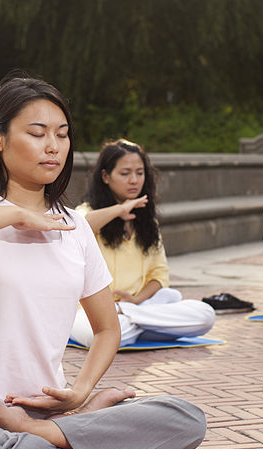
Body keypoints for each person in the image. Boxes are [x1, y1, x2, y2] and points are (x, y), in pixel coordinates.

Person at [0, 76, 206, 449]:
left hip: (52, 413)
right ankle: (78, 442)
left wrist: (82, 391)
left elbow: (107, 330)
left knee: (187, 420)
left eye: (62, 134)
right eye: (37, 133)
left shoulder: (74, 229)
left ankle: (47, 434)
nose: (53, 145)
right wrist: (16, 214)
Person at [71, 140, 215, 347]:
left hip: (137, 305)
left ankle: (129, 316)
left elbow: (159, 275)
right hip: (90, 311)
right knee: (106, 335)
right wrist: (120, 210)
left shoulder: (147, 222)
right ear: (105, 176)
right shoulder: (86, 211)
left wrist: (135, 302)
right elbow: (79, 228)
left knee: (205, 315)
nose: (134, 180)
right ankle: (148, 325)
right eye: (125, 173)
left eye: (139, 173)